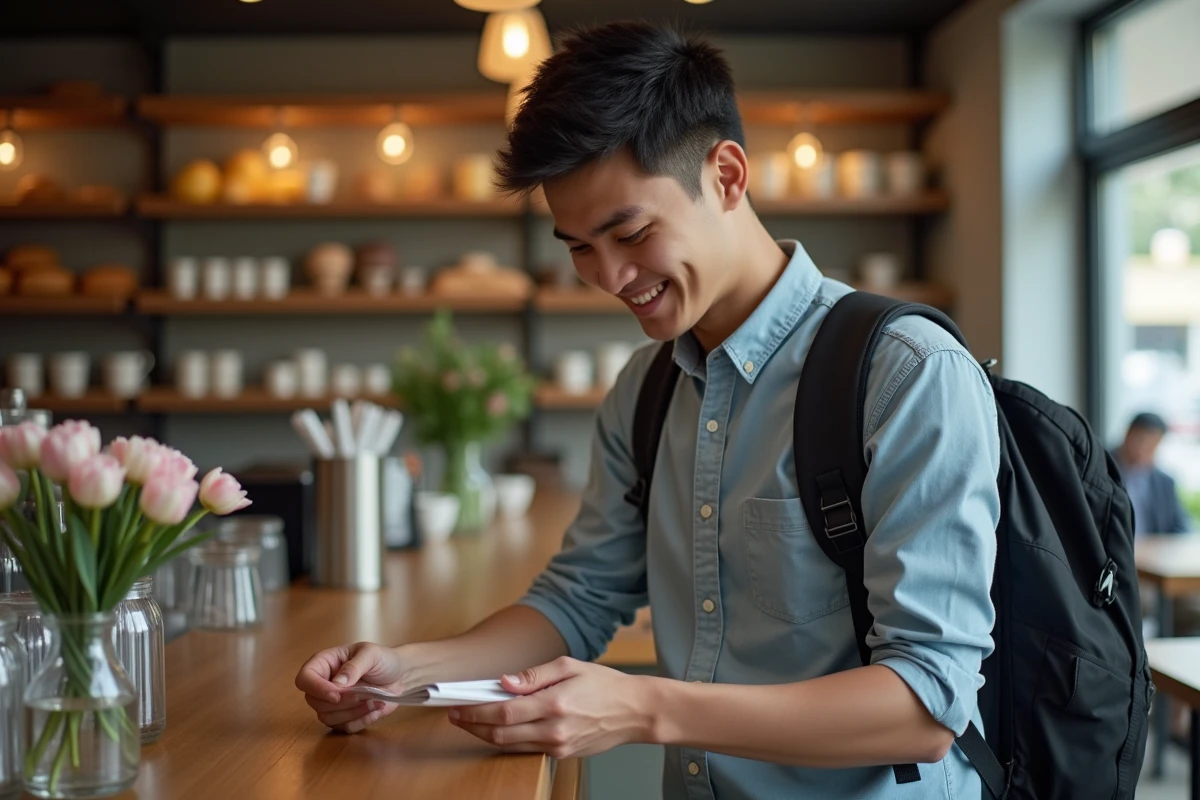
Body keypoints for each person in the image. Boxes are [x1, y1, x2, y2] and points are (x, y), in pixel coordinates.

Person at [295, 22, 1001, 799]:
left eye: (629, 232)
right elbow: (580, 598)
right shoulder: (646, 387)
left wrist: (641, 707)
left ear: (727, 175)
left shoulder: (907, 377)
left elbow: (927, 704)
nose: (610, 276)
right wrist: (405, 671)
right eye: (578, 248)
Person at [1111, 412, 1192, 535]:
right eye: (1140, 440)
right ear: (1128, 434)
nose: (1143, 449)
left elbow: (1182, 526)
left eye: (1152, 445)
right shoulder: (1100, 469)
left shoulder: (1164, 482)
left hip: (1153, 551)